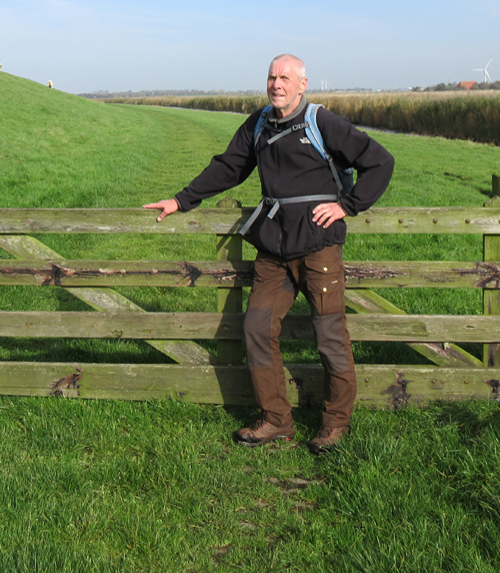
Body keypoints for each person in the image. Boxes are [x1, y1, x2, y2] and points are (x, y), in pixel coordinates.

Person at [144, 54, 394, 454]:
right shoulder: (259, 124)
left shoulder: (321, 123)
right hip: (273, 248)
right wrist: (180, 200)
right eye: (271, 77)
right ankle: (276, 419)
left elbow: (380, 161)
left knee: (330, 336)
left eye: (285, 78)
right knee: (257, 329)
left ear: (302, 84)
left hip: (318, 247)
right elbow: (229, 168)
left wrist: (347, 205)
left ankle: (335, 424)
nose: (276, 84)